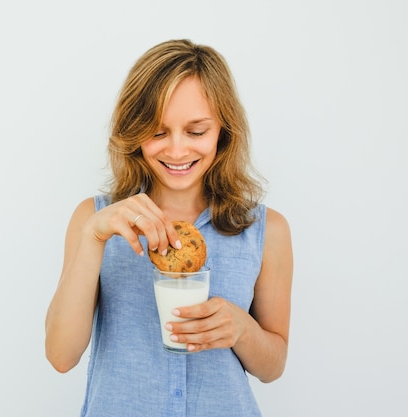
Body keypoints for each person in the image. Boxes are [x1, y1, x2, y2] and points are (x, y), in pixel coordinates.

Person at [45, 39, 293, 417]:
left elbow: (273, 367)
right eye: (158, 132)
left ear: (223, 130)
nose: (176, 151)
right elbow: (61, 356)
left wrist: (241, 328)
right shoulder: (93, 221)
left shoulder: (266, 230)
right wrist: (93, 239)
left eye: (196, 132)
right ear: (134, 130)